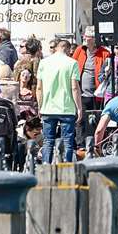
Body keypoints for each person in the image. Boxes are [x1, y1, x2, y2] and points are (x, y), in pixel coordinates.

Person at [39, 35, 82, 163]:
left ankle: (46, 167)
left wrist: (40, 106)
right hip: (66, 108)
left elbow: (39, 88)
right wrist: (79, 108)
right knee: (68, 141)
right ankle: (66, 168)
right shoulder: (72, 63)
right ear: (68, 50)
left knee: (47, 141)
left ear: (57, 48)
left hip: (48, 108)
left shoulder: (44, 62)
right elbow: (74, 88)